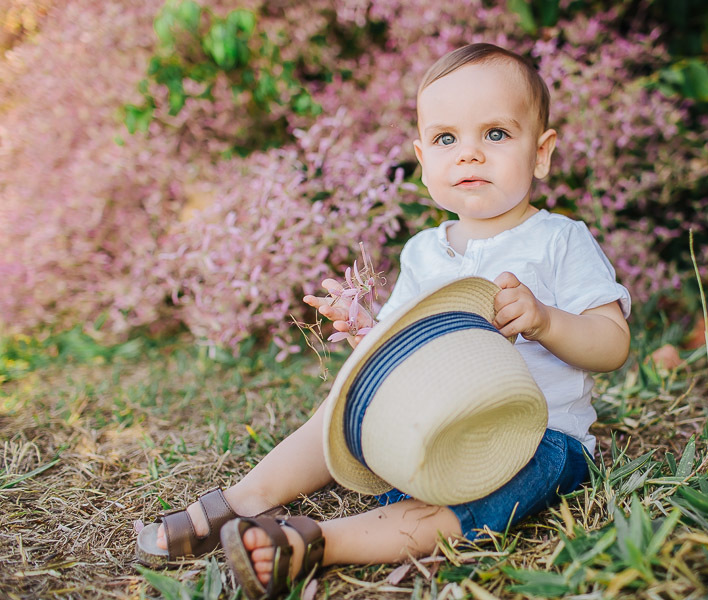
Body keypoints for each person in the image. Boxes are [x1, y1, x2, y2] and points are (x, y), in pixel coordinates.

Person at [137, 42, 631, 596]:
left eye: (495, 134)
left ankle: (314, 543)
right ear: (423, 162)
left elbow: (612, 344)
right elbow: (399, 355)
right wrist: (365, 330)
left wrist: (547, 322)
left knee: (491, 495)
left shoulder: (560, 240)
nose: (468, 154)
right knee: (344, 405)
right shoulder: (424, 252)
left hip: (535, 436)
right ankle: (243, 499)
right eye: (447, 139)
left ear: (540, 153)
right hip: (428, 429)